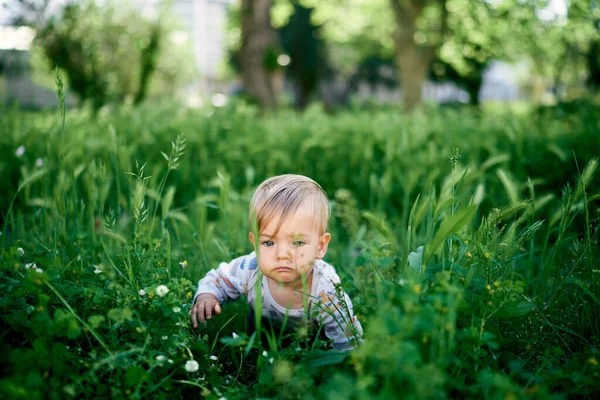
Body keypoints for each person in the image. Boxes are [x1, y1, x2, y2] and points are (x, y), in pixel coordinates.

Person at [190, 174, 363, 350]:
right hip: (264, 324)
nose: (282, 255)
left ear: (320, 246)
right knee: (255, 340)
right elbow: (218, 279)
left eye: (297, 242)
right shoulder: (251, 268)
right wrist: (207, 296)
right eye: (269, 242)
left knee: (318, 348)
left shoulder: (327, 293)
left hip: (313, 337)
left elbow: (348, 342)